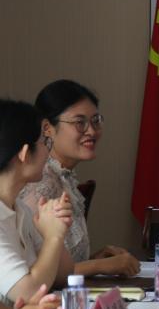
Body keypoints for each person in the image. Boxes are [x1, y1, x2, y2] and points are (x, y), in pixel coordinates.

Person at [18, 80, 141, 277]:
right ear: (47, 128)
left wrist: (95, 259)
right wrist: (100, 266)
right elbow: (35, 274)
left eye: (95, 120)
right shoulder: (40, 182)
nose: (91, 131)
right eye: (80, 122)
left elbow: (62, 264)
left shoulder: (63, 177)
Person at [0, 99, 74, 307]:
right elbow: (29, 293)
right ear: (24, 153)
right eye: (44, 142)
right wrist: (53, 236)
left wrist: (57, 226)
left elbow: (64, 274)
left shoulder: (20, 209)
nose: (48, 152)